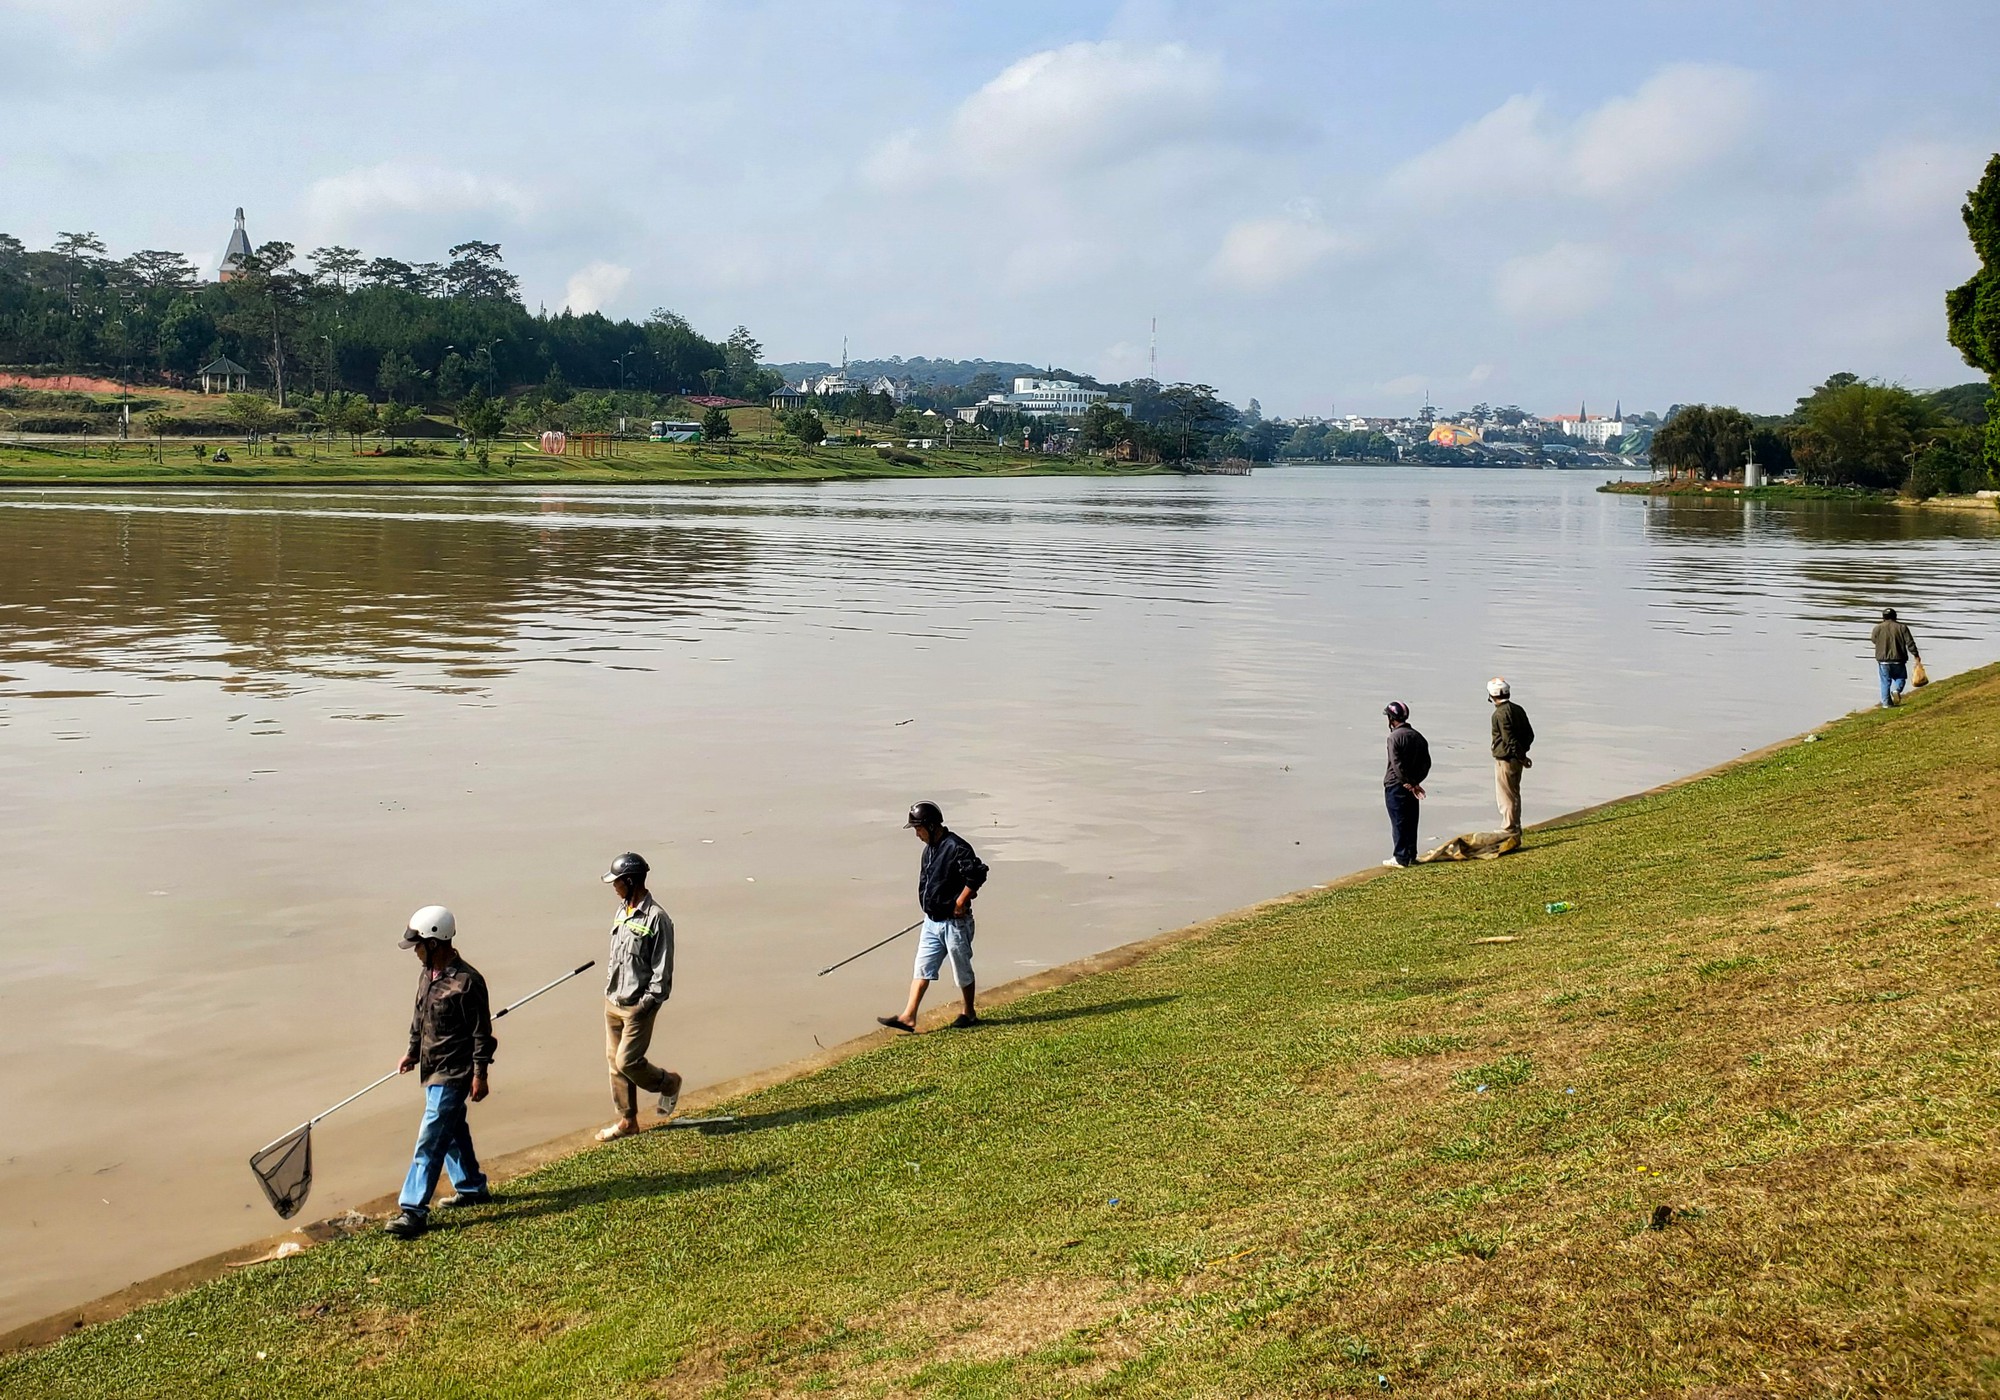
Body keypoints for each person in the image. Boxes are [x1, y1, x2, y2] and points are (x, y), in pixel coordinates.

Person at [384, 905, 495, 1240]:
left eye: (418, 945)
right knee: (451, 1130)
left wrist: (480, 1074)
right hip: (431, 1068)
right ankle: (472, 1187)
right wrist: (412, 1052)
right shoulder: (427, 975)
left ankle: (413, 1210)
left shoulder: (468, 982)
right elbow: (420, 1018)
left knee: (430, 1139)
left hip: (455, 1071)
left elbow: (481, 1034)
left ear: (434, 942)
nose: (415, 951)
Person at [877, 802, 989, 1033]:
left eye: (918, 829)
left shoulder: (957, 847)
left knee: (961, 970)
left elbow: (977, 874)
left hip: (955, 924)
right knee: (922, 968)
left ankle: (969, 1012)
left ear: (930, 825)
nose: (917, 834)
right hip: (931, 922)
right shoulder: (929, 849)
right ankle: (908, 1016)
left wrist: (960, 902)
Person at [597, 851, 681, 1142]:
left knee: (627, 1062)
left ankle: (668, 1084)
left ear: (630, 881)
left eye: (617, 882)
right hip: (613, 1001)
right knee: (614, 1064)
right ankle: (628, 1121)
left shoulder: (658, 919)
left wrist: (644, 1006)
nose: (614, 887)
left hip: (638, 1006)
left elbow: (662, 974)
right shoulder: (622, 910)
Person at [1382, 702, 1431, 868]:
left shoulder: (1393, 737)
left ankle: (1400, 857)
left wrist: (1407, 782)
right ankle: (1411, 854)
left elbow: (1396, 765)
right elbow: (1427, 763)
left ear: (1391, 719)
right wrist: (1416, 782)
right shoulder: (1418, 736)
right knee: (1411, 820)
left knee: (1398, 821)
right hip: (1412, 785)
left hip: (1396, 785)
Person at [1488, 677, 1535, 834]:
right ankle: (1516, 824)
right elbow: (1529, 734)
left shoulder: (1499, 714)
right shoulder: (1518, 709)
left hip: (1506, 759)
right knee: (1514, 792)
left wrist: (1521, 756)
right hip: (1517, 758)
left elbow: (1508, 739)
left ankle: (1509, 827)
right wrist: (1523, 753)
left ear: (1492, 695)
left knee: (1506, 795)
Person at [1870, 608, 1920, 708]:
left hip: (1883, 660)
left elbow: (1874, 640)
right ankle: (1896, 690)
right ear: (1895, 616)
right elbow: (1909, 642)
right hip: (1899, 659)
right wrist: (1916, 655)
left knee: (1885, 681)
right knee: (1900, 678)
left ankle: (1886, 704)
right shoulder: (1902, 627)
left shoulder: (1877, 628)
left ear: (1883, 617)